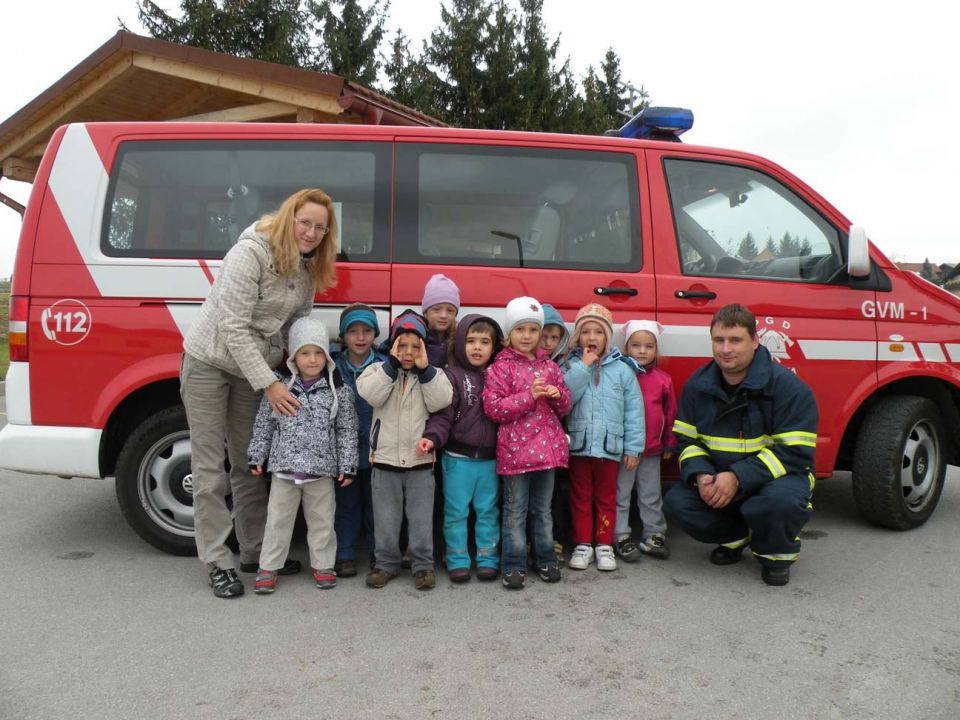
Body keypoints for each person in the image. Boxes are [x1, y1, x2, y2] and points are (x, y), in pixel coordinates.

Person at [180, 188, 338, 598]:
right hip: (211, 363)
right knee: (211, 467)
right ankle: (218, 560)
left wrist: (308, 368)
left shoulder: (307, 269)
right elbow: (232, 326)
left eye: (320, 227)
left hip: (255, 371)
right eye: (305, 222)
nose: (311, 232)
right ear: (289, 218)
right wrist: (269, 384)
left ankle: (255, 552)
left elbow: (297, 325)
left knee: (251, 461)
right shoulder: (249, 254)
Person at [663, 304, 818, 586]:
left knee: (779, 503)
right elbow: (686, 440)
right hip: (721, 478)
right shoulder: (698, 385)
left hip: (778, 478)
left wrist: (737, 477)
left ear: (755, 341)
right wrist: (701, 476)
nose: (725, 349)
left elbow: (795, 454)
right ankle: (736, 536)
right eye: (719, 340)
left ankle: (775, 555)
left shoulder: (787, 387)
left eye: (735, 340)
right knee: (678, 504)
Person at [247, 317, 358, 593]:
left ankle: (323, 566)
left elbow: (347, 429)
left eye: (319, 352)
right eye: (305, 353)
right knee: (277, 523)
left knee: (322, 523)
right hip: (284, 470)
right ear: (294, 356)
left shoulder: (339, 392)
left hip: (320, 472)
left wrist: (348, 464)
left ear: (327, 356)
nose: (312, 359)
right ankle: (269, 568)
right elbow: (265, 424)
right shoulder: (279, 388)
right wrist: (256, 455)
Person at [356, 310, 453, 590]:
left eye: (415, 346)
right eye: (402, 345)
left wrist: (425, 370)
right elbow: (371, 393)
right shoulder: (377, 369)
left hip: (419, 461)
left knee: (421, 518)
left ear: (423, 347)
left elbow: (441, 401)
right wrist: (390, 367)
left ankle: (423, 565)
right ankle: (385, 563)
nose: (408, 352)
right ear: (392, 345)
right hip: (384, 459)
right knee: (386, 517)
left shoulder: (433, 375)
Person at [483, 296, 571, 589]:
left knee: (542, 510)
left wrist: (559, 397)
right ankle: (513, 562)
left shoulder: (549, 366)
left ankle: (545, 558)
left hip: (547, 453)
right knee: (515, 511)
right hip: (516, 454)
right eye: (521, 330)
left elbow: (565, 406)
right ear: (510, 333)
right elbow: (494, 408)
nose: (527, 336)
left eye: (533, 330)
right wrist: (529, 396)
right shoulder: (501, 366)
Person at [562, 304, 644, 573]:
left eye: (599, 331)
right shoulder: (570, 365)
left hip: (610, 447)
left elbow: (634, 412)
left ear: (608, 337)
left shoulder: (623, 370)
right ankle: (583, 544)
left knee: (607, 497)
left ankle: (604, 544)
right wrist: (583, 367)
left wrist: (633, 448)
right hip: (580, 445)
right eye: (586, 331)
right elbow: (565, 399)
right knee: (581, 497)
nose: (592, 337)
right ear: (578, 337)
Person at [421, 314, 504, 583]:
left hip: (491, 460)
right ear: (459, 344)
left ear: (494, 347)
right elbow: (443, 415)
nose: (477, 347)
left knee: (488, 511)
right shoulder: (452, 376)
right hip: (458, 459)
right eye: (470, 341)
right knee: (456, 512)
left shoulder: (499, 375)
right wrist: (432, 437)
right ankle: (457, 559)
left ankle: (488, 558)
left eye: (484, 342)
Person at [332, 303, 388, 577]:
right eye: (353, 331)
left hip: (377, 450)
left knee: (377, 506)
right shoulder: (333, 367)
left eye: (367, 331)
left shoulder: (383, 365)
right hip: (345, 452)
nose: (361, 337)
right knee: (346, 504)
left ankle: (379, 553)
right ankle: (343, 553)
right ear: (343, 335)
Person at [615, 320, 677, 562]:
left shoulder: (663, 380)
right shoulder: (620, 375)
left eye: (649, 346)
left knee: (651, 494)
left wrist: (669, 442)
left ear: (656, 350)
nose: (642, 351)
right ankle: (619, 533)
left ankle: (654, 533)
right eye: (636, 345)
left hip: (651, 449)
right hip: (623, 450)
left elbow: (670, 413)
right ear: (626, 347)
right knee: (620, 492)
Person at [421, 273, 461, 368]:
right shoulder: (417, 337)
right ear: (426, 311)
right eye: (436, 309)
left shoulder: (460, 340)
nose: (443, 315)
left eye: (450, 310)